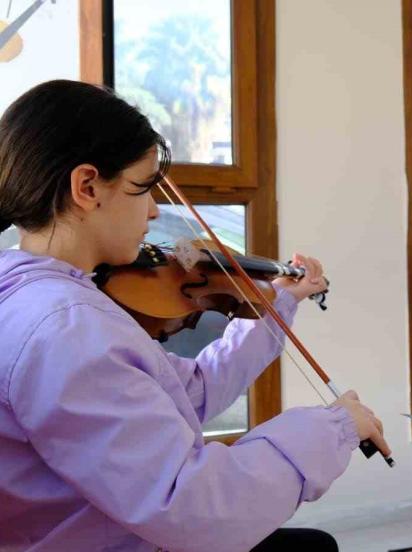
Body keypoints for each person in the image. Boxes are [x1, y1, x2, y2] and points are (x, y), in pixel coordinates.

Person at [0, 79, 391, 552]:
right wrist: (333, 428)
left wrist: (281, 300)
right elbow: (190, 506)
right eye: (143, 188)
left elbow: (190, 391)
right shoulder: (68, 328)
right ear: (87, 187)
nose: (153, 210)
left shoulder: (31, 299)